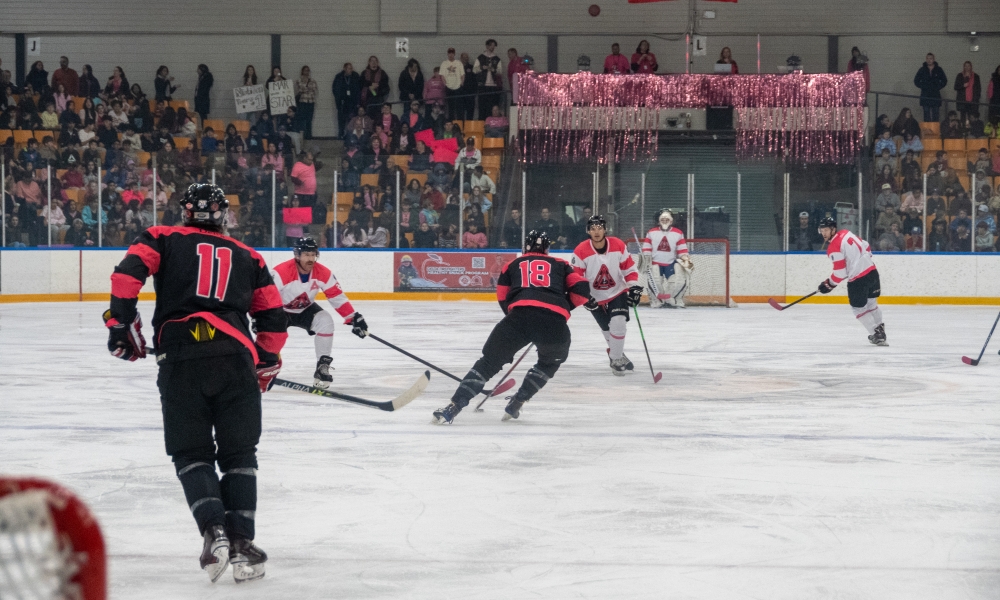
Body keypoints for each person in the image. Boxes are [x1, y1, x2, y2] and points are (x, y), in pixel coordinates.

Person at [104, 183, 288, 584]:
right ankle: (242, 543)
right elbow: (273, 316)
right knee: (240, 454)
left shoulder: (161, 237)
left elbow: (125, 277)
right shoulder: (250, 255)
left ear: (185, 211)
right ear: (223, 214)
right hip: (237, 360)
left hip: (180, 357)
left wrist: (120, 325)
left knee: (191, 454)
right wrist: (268, 361)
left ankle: (213, 531)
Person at [432, 230, 591, 424]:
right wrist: (560, 307)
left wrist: (517, 319)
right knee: (549, 362)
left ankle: (454, 406)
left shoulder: (512, 264)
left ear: (525, 247)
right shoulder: (562, 264)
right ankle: (518, 400)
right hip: (554, 324)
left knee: (488, 362)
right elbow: (582, 291)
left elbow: (502, 297)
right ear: (547, 249)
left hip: (519, 319)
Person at [270, 237, 368, 389]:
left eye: (313, 254)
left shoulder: (322, 272)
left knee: (325, 321)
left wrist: (352, 317)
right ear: (297, 255)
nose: (310, 259)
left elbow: (335, 296)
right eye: (306, 255)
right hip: (279, 311)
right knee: (271, 339)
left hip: (305, 310)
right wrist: (260, 318)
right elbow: (266, 296)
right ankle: (266, 365)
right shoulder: (281, 272)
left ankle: (322, 367)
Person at [571, 215, 643, 375]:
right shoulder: (580, 250)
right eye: (593, 229)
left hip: (617, 291)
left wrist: (633, 288)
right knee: (607, 329)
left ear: (605, 229)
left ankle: (616, 359)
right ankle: (618, 354)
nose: (596, 231)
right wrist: (584, 297)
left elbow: (629, 269)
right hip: (594, 297)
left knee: (618, 323)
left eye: (599, 228)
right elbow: (576, 277)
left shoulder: (617, 244)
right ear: (588, 231)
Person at [816, 216, 887, 345]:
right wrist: (865, 260)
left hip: (858, 280)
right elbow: (866, 245)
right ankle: (880, 330)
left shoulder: (833, 247)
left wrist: (829, 284)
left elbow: (840, 273)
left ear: (833, 229)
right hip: (872, 273)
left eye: (826, 230)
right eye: (821, 231)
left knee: (858, 309)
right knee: (871, 304)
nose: (823, 233)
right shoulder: (846, 233)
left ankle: (876, 333)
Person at [641, 209, 692, 308]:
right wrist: (646, 258)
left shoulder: (678, 233)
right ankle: (657, 301)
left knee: (675, 282)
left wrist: (685, 258)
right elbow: (646, 248)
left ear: (671, 221)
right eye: (662, 219)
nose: (664, 221)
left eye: (667, 219)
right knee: (655, 282)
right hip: (656, 263)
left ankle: (671, 300)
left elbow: (682, 250)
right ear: (659, 221)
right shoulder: (651, 232)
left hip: (670, 263)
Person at [474, 39, 504, 120]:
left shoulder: (497, 59)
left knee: (492, 106)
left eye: (494, 46)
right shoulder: (480, 57)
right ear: (487, 46)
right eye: (491, 45)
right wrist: (482, 68)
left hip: (493, 86)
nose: (493, 47)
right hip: (483, 86)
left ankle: (492, 124)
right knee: (482, 106)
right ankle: (482, 124)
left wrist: (493, 69)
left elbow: (500, 71)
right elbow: (474, 70)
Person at [914, 53, 948, 123]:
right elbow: (916, 80)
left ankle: (935, 132)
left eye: (931, 58)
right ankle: (927, 132)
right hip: (925, 95)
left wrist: (937, 87)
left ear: (934, 59)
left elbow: (944, 80)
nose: (929, 60)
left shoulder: (938, 69)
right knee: (926, 115)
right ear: (926, 59)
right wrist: (923, 86)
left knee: (936, 115)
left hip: (935, 95)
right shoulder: (922, 69)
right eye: (928, 58)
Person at [332, 63, 361, 139]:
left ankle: (351, 135)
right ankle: (341, 134)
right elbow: (335, 89)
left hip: (352, 102)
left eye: (351, 68)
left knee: (352, 119)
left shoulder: (355, 76)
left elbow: (359, 90)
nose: (350, 70)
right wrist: (338, 100)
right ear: (344, 69)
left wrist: (358, 102)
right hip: (342, 102)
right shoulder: (339, 77)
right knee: (341, 119)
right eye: (348, 68)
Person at [360, 56, 390, 121]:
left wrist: (376, 89)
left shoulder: (382, 73)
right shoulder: (364, 73)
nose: (374, 63)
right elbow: (361, 85)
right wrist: (370, 87)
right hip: (367, 101)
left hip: (378, 101)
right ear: (369, 63)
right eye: (372, 61)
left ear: (377, 62)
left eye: (375, 61)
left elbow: (386, 87)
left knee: (378, 120)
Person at [294, 66, 318, 140]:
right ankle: (303, 135)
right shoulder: (298, 80)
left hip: (310, 102)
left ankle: (309, 135)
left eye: (308, 71)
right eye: (305, 70)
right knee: (302, 119)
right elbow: (297, 90)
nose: (306, 72)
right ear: (302, 71)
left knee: (309, 119)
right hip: (302, 102)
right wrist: (307, 90)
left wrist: (304, 90)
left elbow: (314, 90)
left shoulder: (313, 81)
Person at [440, 48, 464, 120]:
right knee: (450, 107)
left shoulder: (459, 63)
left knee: (459, 107)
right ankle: (450, 124)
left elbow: (462, 74)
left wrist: (461, 83)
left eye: (452, 53)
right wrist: (445, 84)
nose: (451, 54)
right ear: (447, 54)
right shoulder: (444, 63)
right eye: (449, 53)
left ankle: (460, 124)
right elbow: (442, 75)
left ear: (454, 54)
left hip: (458, 87)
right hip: (449, 87)